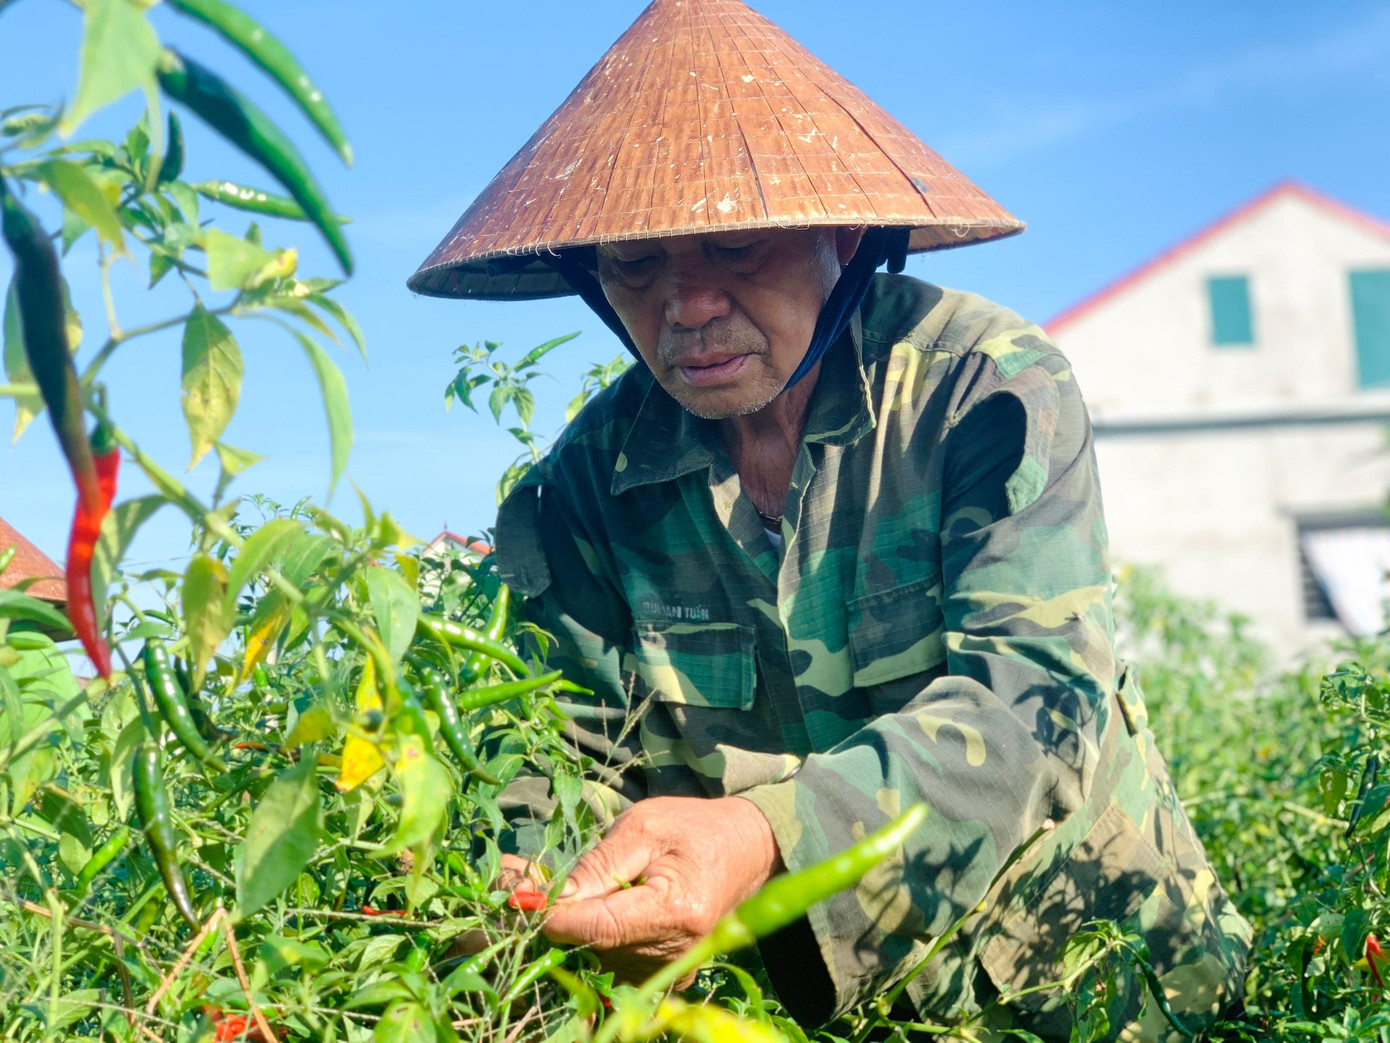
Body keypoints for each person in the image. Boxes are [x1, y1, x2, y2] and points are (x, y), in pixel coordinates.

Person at [409, 0, 1250, 1037]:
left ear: (839, 234)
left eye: (734, 245)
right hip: (811, 1005)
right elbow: (561, 751)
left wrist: (763, 833)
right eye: (636, 265)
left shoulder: (980, 391)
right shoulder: (588, 482)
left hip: (1082, 973)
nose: (687, 303)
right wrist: (529, 888)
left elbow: (1033, 702)